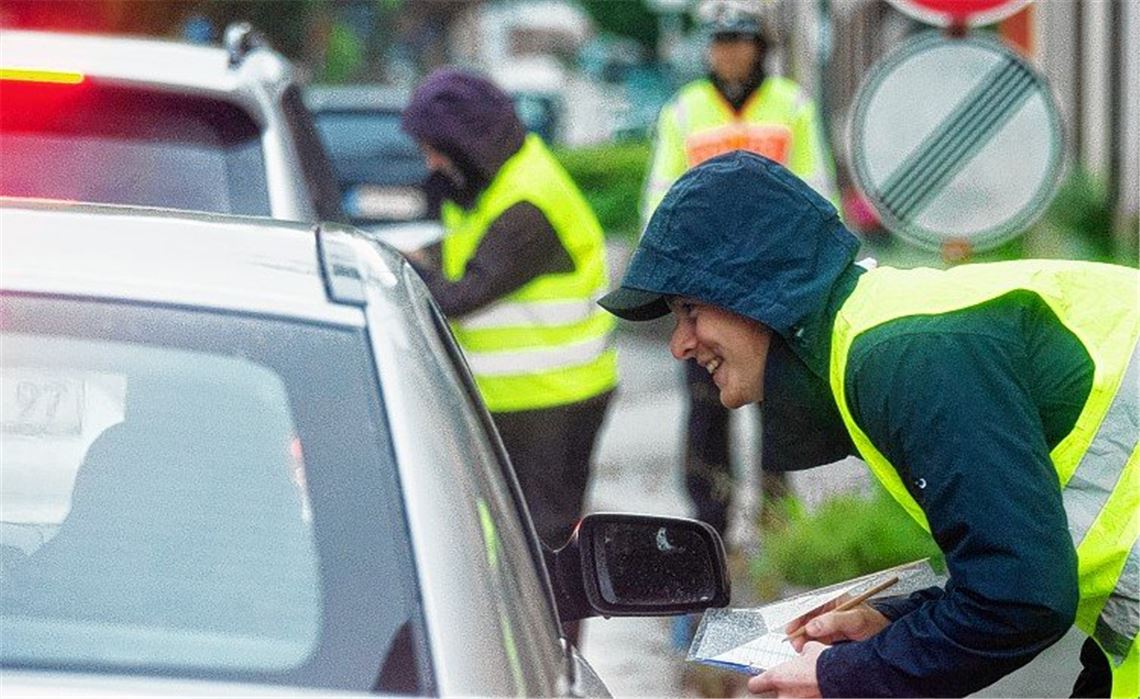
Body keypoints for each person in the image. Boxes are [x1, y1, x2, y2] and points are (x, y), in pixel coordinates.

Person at [598, 150, 1138, 698]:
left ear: (757, 291)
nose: (679, 343)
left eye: (691, 309)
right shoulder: (879, 345)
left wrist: (843, 676)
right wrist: (893, 623)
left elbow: (1022, 597)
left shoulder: (906, 358)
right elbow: (1011, 569)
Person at [641, 0, 839, 541]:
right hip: (705, 285)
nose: (729, 54)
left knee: (781, 402)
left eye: (740, 42)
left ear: (759, 48)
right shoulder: (684, 110)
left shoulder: (791, 104)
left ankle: (778, 524)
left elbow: (816, 190)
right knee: (707, 412)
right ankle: (711, 527)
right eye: (720, 43)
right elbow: (659, 199)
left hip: (771, 285)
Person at [401, 68, 618, 558]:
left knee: (545, 553)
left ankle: (552, 639)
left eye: (436, 148)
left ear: (466, 142)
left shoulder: (528, 202)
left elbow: (463, 293)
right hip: (522, 399)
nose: (431, 162)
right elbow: (461, 253)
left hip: (554, 399)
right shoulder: (490, 184)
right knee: (512, 550)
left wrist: (409, 267)